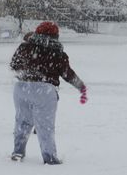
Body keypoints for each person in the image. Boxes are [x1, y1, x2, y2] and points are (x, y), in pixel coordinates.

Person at [8, 21, 87, 165]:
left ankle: (18, 152)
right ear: (55, 36)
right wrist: (80, 86)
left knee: (22, 122)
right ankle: (49, 157)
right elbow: (67, 74)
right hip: (44, 90)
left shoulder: (25, 47)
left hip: (21, 87)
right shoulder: (58, 53)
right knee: (45, 126)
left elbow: (13, 65)